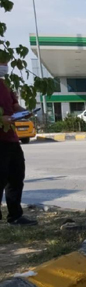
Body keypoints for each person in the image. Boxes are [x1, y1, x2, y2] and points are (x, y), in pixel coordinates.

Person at [0, 60, 36, 226]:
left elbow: (14, 105)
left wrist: (25, 112)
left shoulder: (5, 84)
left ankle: (15, 216)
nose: (4, 65)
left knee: (16, 177)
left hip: (11, 138)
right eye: (2, 62)